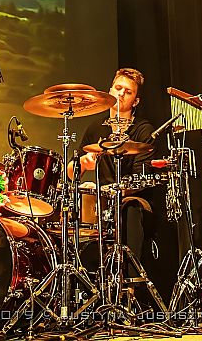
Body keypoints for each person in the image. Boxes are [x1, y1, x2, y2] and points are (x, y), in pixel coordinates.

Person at [68, 67, 156, 262]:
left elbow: (139, 180)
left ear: (136, 101)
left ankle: (131, 275)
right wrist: (83, 163)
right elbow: (71, 173)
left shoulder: (143, 130)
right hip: (102, 201)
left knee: (130, 209)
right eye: (118, 88)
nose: (121, 94)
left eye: (128, 92)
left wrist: (107, 190)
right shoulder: (96, 128)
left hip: (132, 200)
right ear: (110, 91)